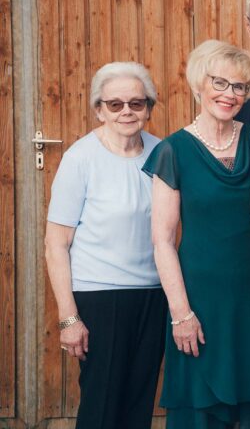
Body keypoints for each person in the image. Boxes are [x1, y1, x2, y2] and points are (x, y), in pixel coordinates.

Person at [143, 40, 250, 428]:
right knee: (200, 412)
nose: (230, 94)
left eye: (239, 87)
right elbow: (163, 241)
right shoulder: (173, 150)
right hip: (199, 303)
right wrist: (180, 313)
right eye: (220, 83)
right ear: (199, 85)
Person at [44, 61, 166, 429]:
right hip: (100, 297)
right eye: (115, 104)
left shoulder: (163, 152)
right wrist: (69, 318)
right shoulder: (80, 158)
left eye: (136, 103)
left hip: (152, 294)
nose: (126, 111)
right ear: (99, 109)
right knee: (102, 405)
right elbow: (56, 243)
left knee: (139, 404)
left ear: (148, 108)